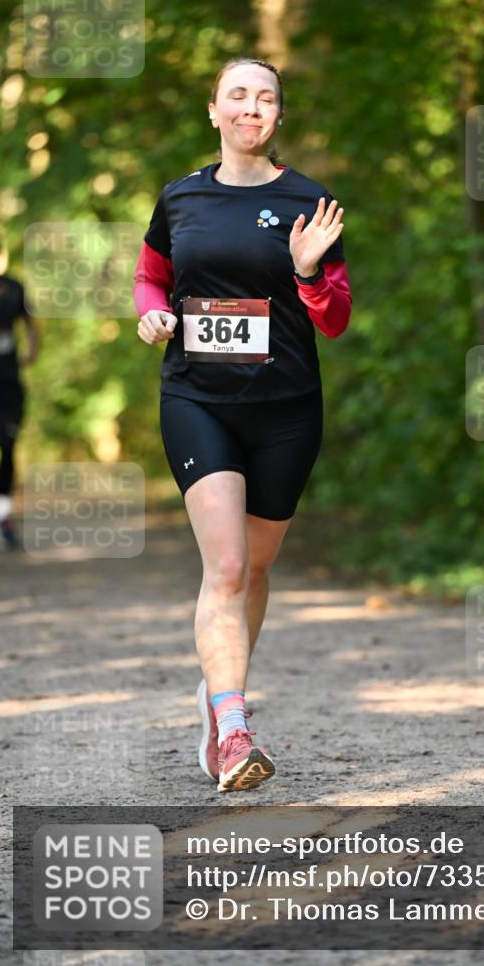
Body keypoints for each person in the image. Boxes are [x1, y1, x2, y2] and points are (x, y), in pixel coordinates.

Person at [133, 58, 352, 793]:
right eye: (238, 95)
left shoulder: (309, 201)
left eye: (265, 98)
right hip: (197, 398)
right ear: (214, 110)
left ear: (277, 116)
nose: (250, 107)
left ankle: (216, 689)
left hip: (287, 408)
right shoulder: (181, 196)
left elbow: (336, 319)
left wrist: (307, 273)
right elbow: (149, 275)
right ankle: (233, 729)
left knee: (256, 569)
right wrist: (150, 313)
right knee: (224, 567)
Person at [0, 236, 39, 550]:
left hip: (8, 379)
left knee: (9, 444)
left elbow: (31, 324)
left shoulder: (14, 287)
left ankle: (3, 517)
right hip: (6, 377)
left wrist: (32, 351)